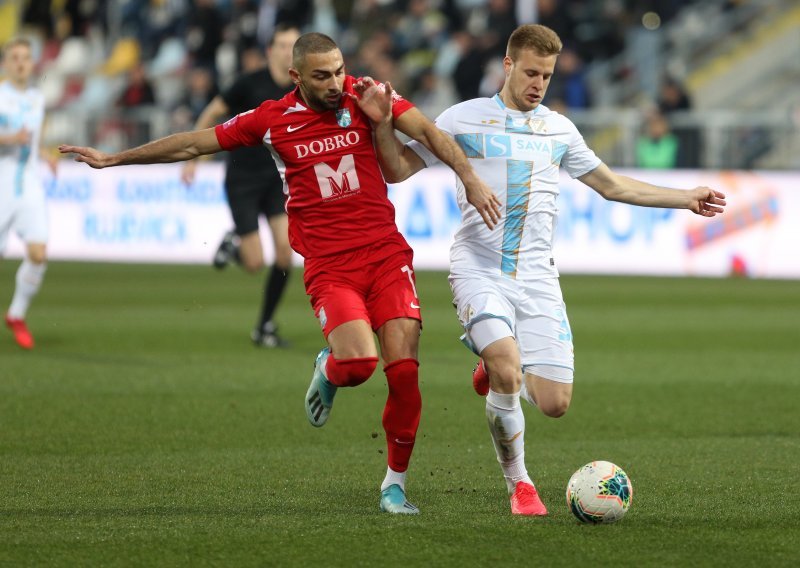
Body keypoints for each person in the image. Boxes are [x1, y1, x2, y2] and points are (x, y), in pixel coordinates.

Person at [60, 32, 501, 514]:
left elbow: (432, 134)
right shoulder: (271, 119)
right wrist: (115, 158)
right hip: (330, 266)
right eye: (321, 76)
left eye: (338, 70)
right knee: (357, 365)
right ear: (296, 77)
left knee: (404, 372)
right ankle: (329, 369)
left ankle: (394, 484)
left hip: (385, 255)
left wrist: (470, 179)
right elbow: (192, 145)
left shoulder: (368, 94)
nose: (335, 83)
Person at [368, 24, 726, 516]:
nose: (539, 83)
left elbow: (612, 185)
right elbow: (397, 170)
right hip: (479, 268)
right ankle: (521, 485)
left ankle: (494, 368)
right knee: (509, 371)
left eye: (548, 75)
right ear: (509, 66)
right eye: (532, 72)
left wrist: (685, 198)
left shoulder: (558, 129)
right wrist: (383, 124)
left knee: (555, 403)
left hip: (538, 278)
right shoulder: (463, 119)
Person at [181, 23, 300, 348]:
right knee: (254, 263)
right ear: (270, 50)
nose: (289, 50)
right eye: (283, 44)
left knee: (286, 256)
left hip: (277, 182)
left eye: (294, 44)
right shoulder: (249, 83)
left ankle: (264, 326)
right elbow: (214, 112)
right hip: (243, 180)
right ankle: (234, 244)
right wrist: (194, 158)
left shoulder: (301, 88)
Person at [1, 37, 54, 350]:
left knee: (38, 253)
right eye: (15, 57)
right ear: (6, 63)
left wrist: (45, 154)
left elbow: (33, 139)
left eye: (25, 57)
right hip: (1, 184)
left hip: (29, 185)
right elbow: (15, 137)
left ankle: (16, 314)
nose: (21, 62)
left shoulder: (37, 98)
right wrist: (9, 138)